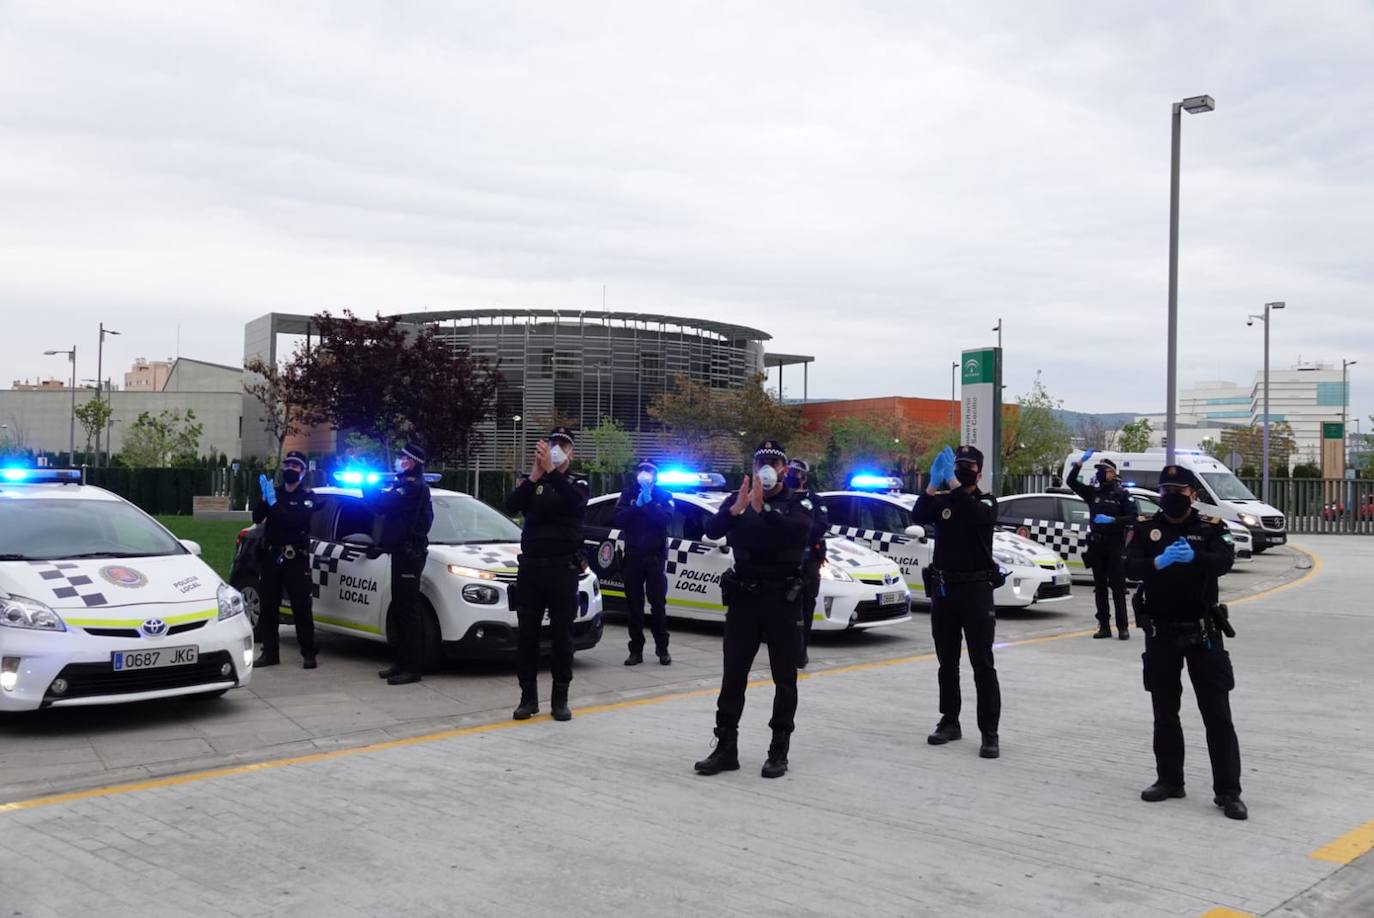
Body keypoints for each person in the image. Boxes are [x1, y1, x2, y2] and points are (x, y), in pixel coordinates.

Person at [1125, 464, 1245, 820]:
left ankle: (1228, 791)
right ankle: (1169, 780)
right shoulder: (1147, 528)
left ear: (1193, 494)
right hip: (1161, 633)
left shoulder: (1210, 527)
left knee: (1217, 715)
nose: (1171, 496)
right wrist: (1159, 562)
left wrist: (1195, 559)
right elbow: (1129, 567)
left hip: (1203, 633)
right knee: (1164, 713)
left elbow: (1225, 561)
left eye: (1179, 490)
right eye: (1166, 490)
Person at [694, 441, 813, 779]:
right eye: (762, 461)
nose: (767, 468)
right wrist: (736, 510)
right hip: (744, 598)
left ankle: (779, 750)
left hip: (780, 599)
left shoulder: (796, 502)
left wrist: (764, 510)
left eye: (774, 463)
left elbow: (799, 533)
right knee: (733, 674)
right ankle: (725, 747)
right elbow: (712, 530)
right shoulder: (739, 497)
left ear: (784, 470)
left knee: (784, 678)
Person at [912, 445, 1002, 759]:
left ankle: (989, 732)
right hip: (944, 589)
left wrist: (952, 484)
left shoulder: (986, 501)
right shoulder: (945, 499)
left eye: (967, 466)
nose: (962, 470)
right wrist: (933, 485)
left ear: (979, 471)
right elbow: (918, 514)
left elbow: (975, 516)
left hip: (976, 590)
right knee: (946, 662)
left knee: (982, 664)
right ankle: (949, 721)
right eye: (958, 465)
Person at [506, 427, 588, 722]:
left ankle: (560, 698)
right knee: (527, 634)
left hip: (562, 570)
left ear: (571, 451)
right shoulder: (535, 482)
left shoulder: (577, 483)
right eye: (552, 444)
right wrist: (534, 476)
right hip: (531, 570)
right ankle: (528, 698)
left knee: (561, 636)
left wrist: (552, 472)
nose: (556, 448)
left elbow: (572, 502)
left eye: (562, 445)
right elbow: (512, 505)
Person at [368, 443, 434, 686]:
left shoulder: (413, 488)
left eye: (403, 458)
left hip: (410, 555)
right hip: (401, 553)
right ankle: (401, 662)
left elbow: (382, 504)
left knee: (408, 611)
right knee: (399, 609)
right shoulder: (404, 485)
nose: (399, 460)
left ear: (413, 462)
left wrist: (367, 485)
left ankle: (412, 668)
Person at [252, 451, 319, 669]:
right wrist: (264, 499)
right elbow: (257, 518)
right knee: (269, 605)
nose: (290, 468)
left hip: (295, 559)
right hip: (272, 556)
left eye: (296, 466)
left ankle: (308, 652)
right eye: (288, 464)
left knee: (301, 606)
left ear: (303, 471)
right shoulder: (275, 493)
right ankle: (270, 652)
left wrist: (273, 504)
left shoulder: (307, 496)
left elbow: (294, 521)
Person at [1067, 451, 1138, 640]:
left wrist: (1113, 520)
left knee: (1117, 587)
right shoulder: (1094, 493)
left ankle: (1123, 627)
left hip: (1115, 545)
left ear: (1113, 474)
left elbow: (1133, 518)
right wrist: (1080, 462)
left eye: (1104, 470)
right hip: (1097, 545)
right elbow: (1071, 482)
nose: (1100, 473)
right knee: (1100, 588)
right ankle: (1104, 626)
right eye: (1098, 470)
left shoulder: (1123, 495)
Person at [614, 460, 673, 666]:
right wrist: (636, 506)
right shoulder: (627, 494)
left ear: (656, 475)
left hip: (654, 558)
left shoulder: (664, 496)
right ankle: (636, 650)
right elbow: (619, 519)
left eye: (649, 471)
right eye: (642, 470)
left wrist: (648, 503)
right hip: (633, 557)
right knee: (634, 607)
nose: (645, 473)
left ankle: (662, 648)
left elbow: (665, 521)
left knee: (658, 605)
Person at [786, 458, 829, 669]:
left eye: (798, 473)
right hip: (786, 561)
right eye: (791, 472)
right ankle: (785, 648)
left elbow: (820, 526)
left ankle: (801, 651)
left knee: (806, 609)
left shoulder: (815, 500)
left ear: (805, 476)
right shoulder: (782, 498)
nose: (794, 476)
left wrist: (797, 534)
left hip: (809, 562)